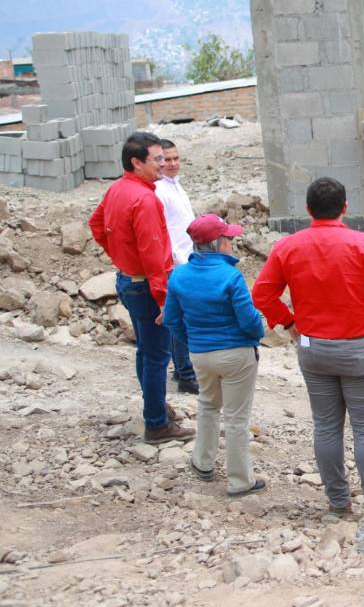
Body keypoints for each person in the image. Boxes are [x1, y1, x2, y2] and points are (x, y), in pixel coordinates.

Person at [251, 177, 364, 513]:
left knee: (325, 426)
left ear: (308, 209)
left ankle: (337, 501)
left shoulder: (288, 247)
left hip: (315, 349)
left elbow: (261, 293)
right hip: (362, 352)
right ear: (345, 207)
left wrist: (290, 322)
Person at [88, 131, 195, 445]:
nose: (163, 164)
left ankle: (156, 407)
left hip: (127, 280)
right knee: (157, 356)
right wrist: (164, 300)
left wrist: (121, 256)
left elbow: (97, 225)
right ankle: (156, 423)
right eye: (157, 159)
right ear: (136, 162)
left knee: (147, 352)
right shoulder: (145, 199)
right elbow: (154, 255)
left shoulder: (118, 188)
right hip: (146, 285)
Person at [163, 214, 266, 496]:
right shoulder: (231, 275)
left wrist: (193, 340)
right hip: (235, 354)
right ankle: (240, 480)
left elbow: (171, 319)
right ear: (218, 244)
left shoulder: (180, 275)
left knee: (208, 405)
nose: (232, 243)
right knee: (236, 417)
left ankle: (203, 462)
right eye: (229, 239)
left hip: (201, 353)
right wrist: (259, 331)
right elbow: (248, 320)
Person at [155, 139, 198, 395]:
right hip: (176, 264)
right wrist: (180, 263)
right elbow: (163, 233)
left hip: (186, 259)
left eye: (175, 158)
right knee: (181, 319)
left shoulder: (176, 186)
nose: (172, 164)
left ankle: (180, 367)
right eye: (166, 159)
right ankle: (185, 374)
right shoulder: (159, 191)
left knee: (179, 318)